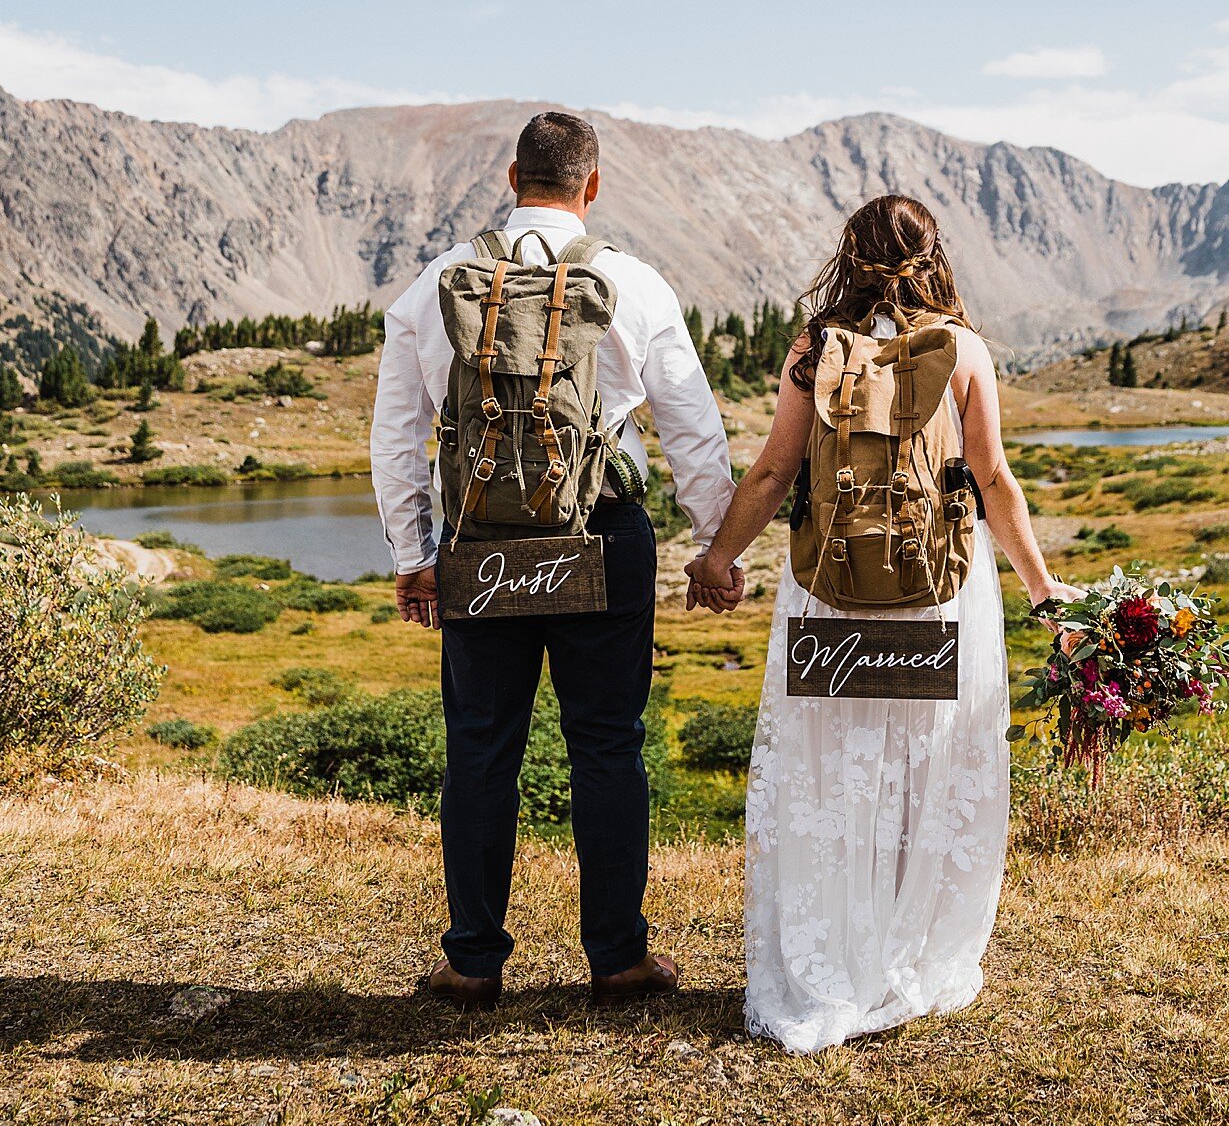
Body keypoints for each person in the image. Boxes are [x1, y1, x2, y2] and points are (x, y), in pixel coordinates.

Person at [683, 194, 1083, 1053]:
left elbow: (771, 473)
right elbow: (996, 482)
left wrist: (718, 560)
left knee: (834, 768)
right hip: (939, 589)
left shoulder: (813, 349)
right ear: (933, 250)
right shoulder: (964, 349)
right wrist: (1049, 600)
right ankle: (910, 952)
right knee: (927, 765)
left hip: (829, 589)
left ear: (848, 254)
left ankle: (834, 956)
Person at [371, 109, 740, 1010]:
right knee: (608, 747)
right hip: (602, 538)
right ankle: (617, 959)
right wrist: (713, 546)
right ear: (593, 183)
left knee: (482, 749)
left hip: (482, 545)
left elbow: (397, 434)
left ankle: (471, 963)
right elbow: (692, 424)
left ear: (510, 176)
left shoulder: (438, 284)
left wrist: (414, 553)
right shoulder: (633, 282)